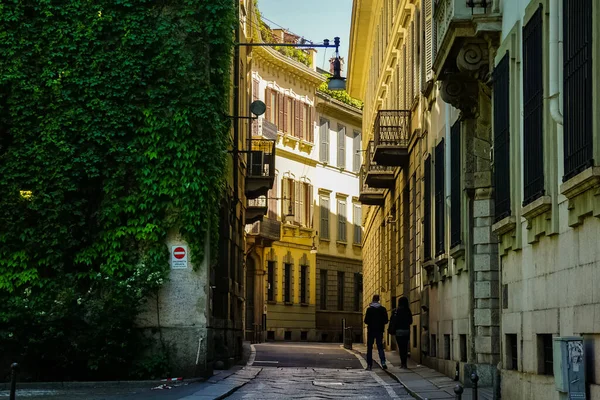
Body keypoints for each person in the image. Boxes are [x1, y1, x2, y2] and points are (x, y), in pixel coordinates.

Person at [364, 294, 388, 371]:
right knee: (380, 347)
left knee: (369, 348)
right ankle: (383, 362)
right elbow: (386, 320)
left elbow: (366, 321)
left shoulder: (369, 309)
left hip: (371, 330)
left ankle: (369, 365)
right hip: (379, 330)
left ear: (372, 300)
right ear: (378, 300)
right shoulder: (383, 309)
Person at [388, 296, 413, 368]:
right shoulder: (408, 311)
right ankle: (405, 363)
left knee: (400, 348)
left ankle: (402, 363)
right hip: (406, 331)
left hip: (398, 331)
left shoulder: (396, 311)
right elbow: (410, 321)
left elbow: (393, 321)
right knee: (405, 347)